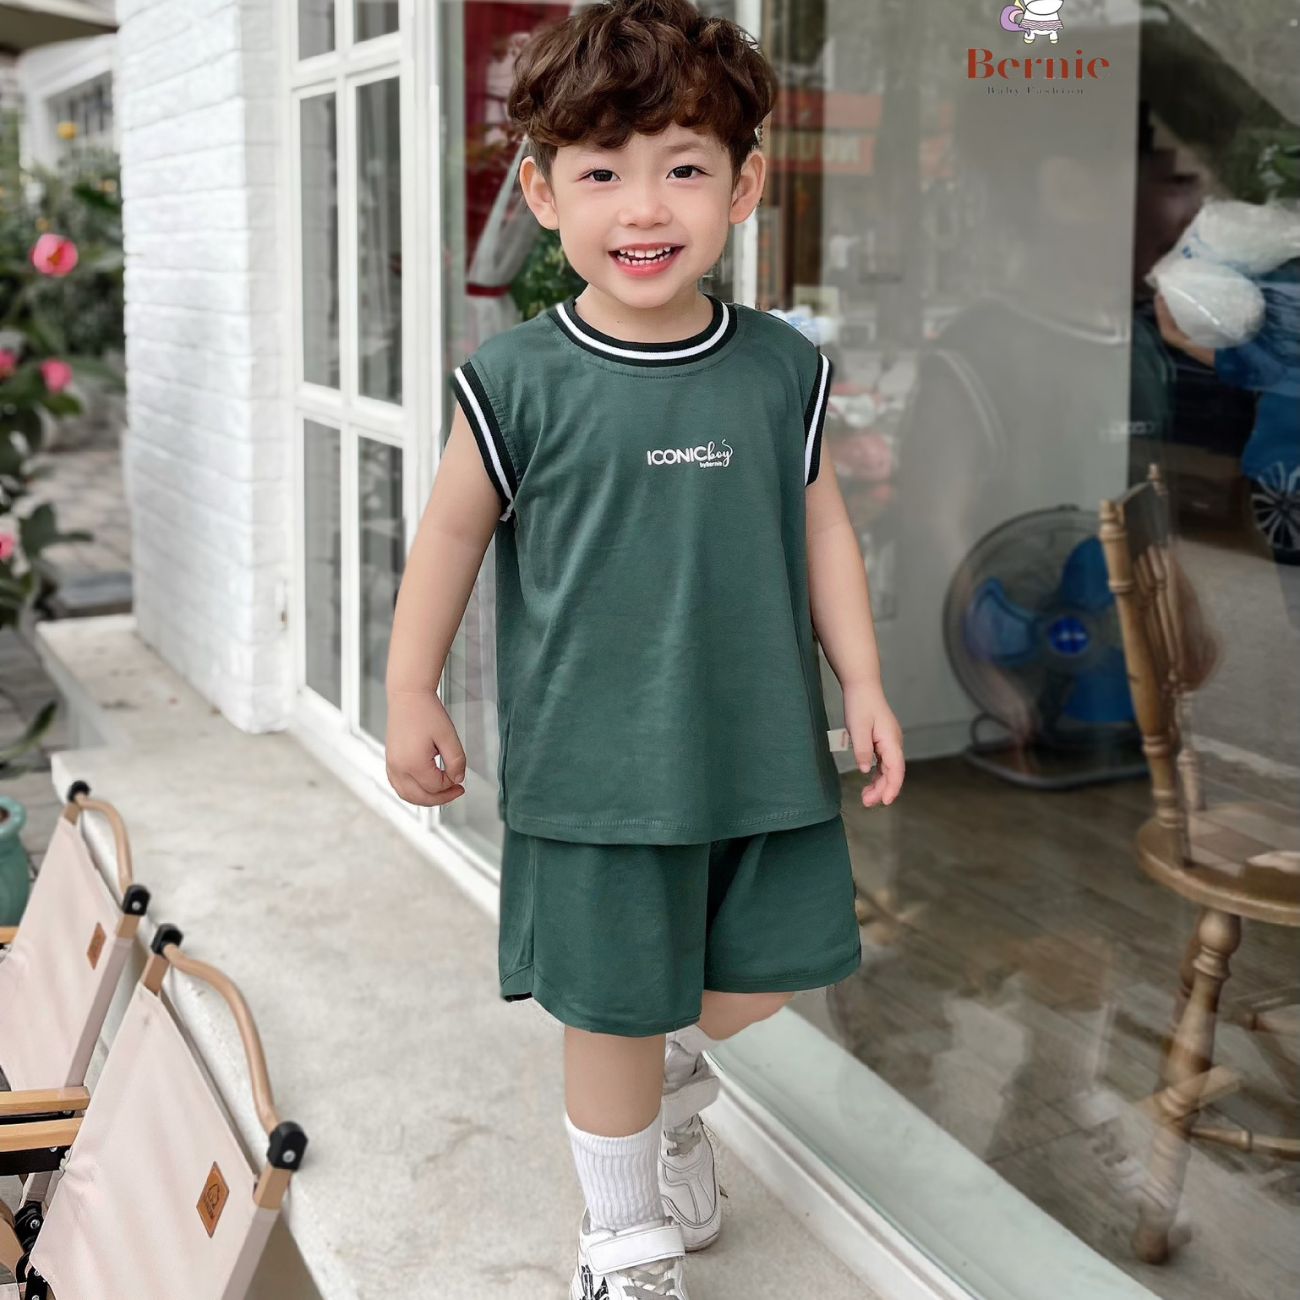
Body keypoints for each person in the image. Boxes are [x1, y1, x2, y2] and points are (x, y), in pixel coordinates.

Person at [383, 3, 904, 1296]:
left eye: (682, 167)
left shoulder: (780, 368)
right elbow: (449, 537)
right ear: (544, 195)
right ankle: (624, 1240)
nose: (645, 207)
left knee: (763, 976)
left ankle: (668, 1080)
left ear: (745, 186)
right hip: (595, 770)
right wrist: (408, 687)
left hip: (757, 751)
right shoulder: (519, 381)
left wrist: (863, 679)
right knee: (610, 1007)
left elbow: (822, 527)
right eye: (603, 173)